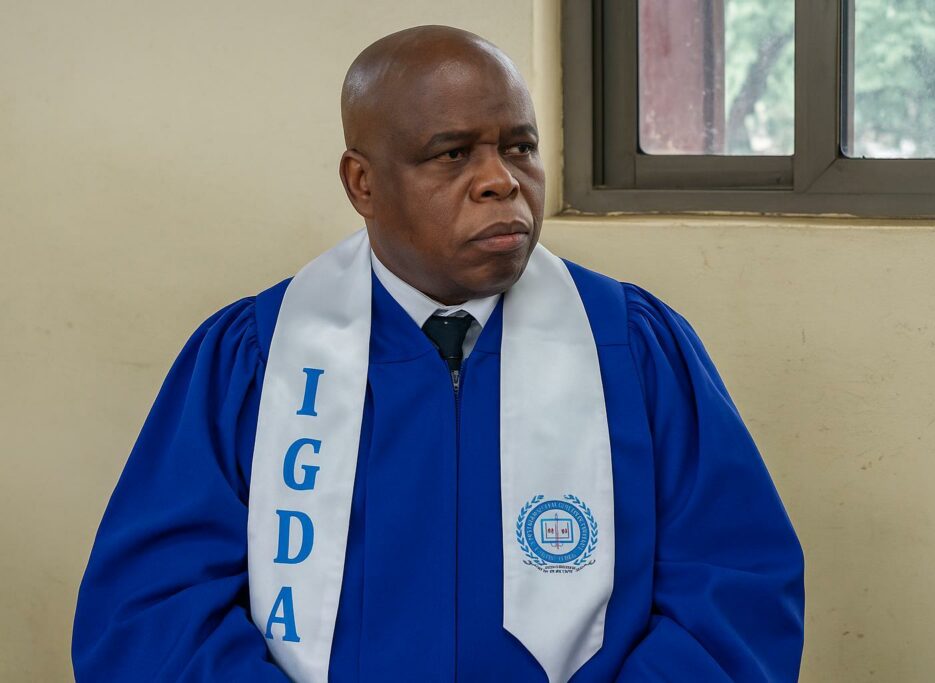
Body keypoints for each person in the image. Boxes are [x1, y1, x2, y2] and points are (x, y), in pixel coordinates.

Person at [72, 25, 804, 683]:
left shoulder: (632, 347)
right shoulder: (258, 359)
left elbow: (735, 591)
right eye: (453, 154)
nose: (501, 180)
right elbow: (151, 614)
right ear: (362, 183)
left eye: (519, 147)